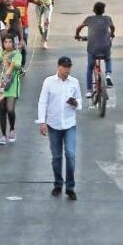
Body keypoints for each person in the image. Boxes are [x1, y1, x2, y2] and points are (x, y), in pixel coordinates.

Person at [36, 56, 82, 200]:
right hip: (53, 125)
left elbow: (80, 101)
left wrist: (75, 103)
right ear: (58, 67)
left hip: (69, 124)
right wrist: (42, 122)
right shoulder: (49, 82)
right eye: (64, 67)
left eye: (69, 67)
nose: (67, 70)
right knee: (56, 157)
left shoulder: (74, 82)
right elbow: (42, 102)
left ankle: (70, 187)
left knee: (70, 155)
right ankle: (57, 184)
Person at [74, 2, 115, 101]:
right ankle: (108, 74)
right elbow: (112, 27)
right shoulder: (107, 19)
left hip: (93, 48)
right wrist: (112, 34)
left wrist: (77, 35)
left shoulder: (89, 19)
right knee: (108, 58)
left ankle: (89, 90)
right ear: (104, 11)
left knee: (90, 67)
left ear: (93, 10)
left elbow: (79, 27)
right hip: (105, 47)